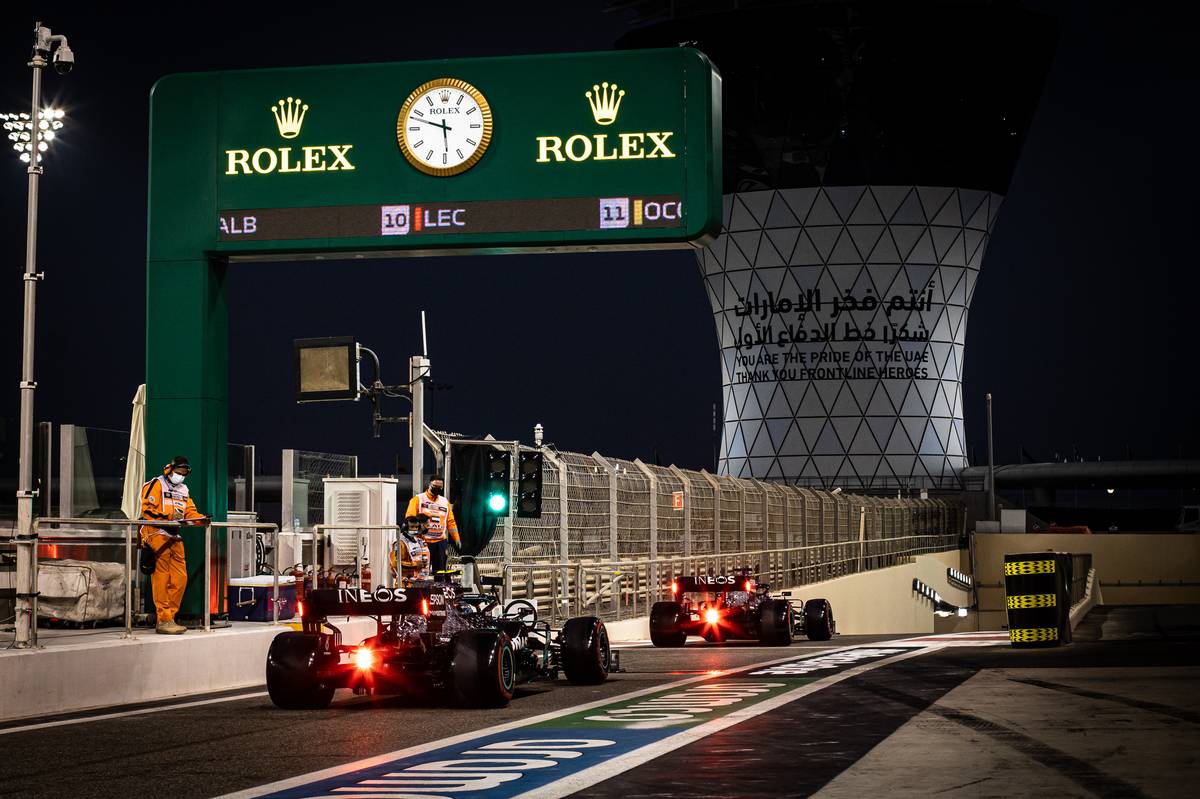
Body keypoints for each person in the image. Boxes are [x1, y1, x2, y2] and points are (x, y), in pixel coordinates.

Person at [140, 455, 209, 634]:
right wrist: (168, 519)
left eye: (184, 473)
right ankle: (163, 619)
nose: (181, 475)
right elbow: (147, 510)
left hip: (174, 535)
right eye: (178, 471)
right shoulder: (156, 484)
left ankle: (169, 616)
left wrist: (201, 519)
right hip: (156, 533)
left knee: (180, 578)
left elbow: (190, 512)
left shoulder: (184, 490)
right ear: (170, 469)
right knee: (162, 577)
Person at [405, 476, 460, 582]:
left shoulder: (444, 502)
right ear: (429, 485)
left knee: (440, 572)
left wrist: (456, 538)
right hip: (423, 541)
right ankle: (419, 592)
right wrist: (416, 535)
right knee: (421, 570)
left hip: (440, 542)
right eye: (435, 486)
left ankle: (439, 592)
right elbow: (409, 518)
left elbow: (451, 522)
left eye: (440, 487)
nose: (437, 489)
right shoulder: (418, 499)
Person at [391, 514, 432, 582]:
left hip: (421, 581)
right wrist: (415, 565)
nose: (414, 529)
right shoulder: (400, 543)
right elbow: (395, 563)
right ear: (405, 528)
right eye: (412, 527)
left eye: (416, 527)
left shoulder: (419, 540)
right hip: (407, 584)